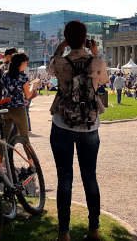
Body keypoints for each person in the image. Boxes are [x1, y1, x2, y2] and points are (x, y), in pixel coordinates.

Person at [48, 21, 108, 241]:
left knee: (65, 178)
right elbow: (103, 81)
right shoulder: (96, 61)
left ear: (66, 38)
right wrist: (95, 52)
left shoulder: (61, 62)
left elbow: (49, 69)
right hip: (90, 124)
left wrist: (60, 48)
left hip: (63, 122)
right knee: (89, 177)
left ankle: (64, 233)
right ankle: (94, 229)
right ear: (86, 39)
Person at [0, 53, 37, 142]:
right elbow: (28, 95)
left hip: (6, 108)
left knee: (4, 139)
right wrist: (34, 87)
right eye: (26, 63)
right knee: (25, 137)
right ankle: (30, 156)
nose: (27, 65)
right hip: (18, 108)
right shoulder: (23, 77)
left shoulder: (5, 74)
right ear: (21, 63)